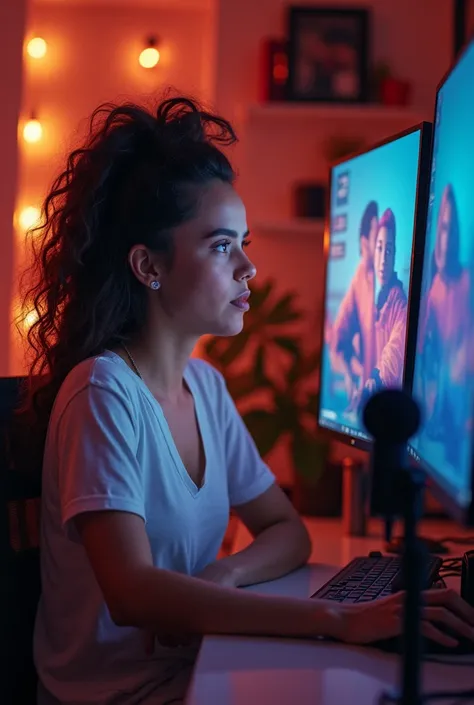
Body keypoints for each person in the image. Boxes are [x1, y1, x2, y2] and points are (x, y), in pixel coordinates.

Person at [20, 97, 474, 705]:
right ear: (147, 266)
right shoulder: (103, 395)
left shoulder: (205, 387)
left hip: (188, 676)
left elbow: (288, 530)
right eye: (221, 246)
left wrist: (226, 573)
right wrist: (339, 620)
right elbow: (131, 593)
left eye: (245, 243)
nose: (248, 268)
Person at [417, 184, 470, 465]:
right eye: (442, 228)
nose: (445, 238)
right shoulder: (434, 287)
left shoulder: (467, 284)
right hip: (436, 418)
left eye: (451, 228)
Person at [330, 200, 378, 410]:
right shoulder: (361, 276)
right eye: (375, 241)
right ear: (364, 242)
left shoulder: (387, 285)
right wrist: (350, 371)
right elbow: (338, 335)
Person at [360, 208, 408, 401]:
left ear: (394, 255)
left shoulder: (400, 304)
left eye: (389, 250)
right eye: (380, 248)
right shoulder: (374, 295)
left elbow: (395, 348)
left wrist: (375, 378)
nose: (383, 260)